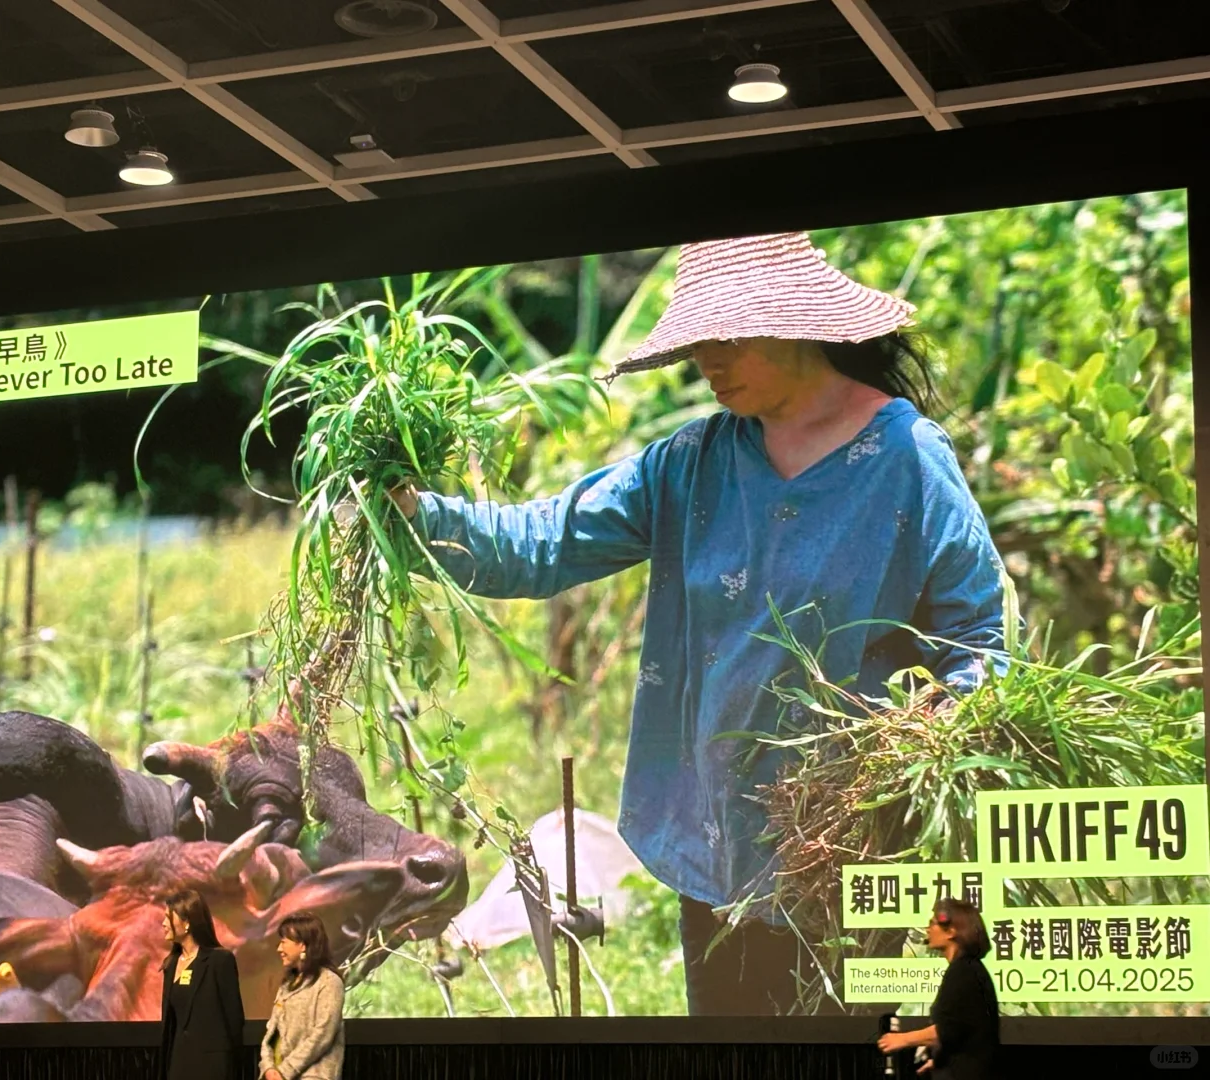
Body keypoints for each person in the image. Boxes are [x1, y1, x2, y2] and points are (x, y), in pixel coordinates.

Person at [391, 232, 1008, 1014]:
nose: (707, 363)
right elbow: (541, 546)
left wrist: (930, 738)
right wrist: (413, 516)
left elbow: (976, 636)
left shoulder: (908, 458)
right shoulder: (691, 462)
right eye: (696, 345)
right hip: (714, 841)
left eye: (727, 339)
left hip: (854, 846)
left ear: (795, 326)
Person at [878, 898, 1001, 1078]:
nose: (928, 929)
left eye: (932, 923)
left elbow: (947, 1030)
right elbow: (963, 1032)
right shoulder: (969, 969)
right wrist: (939, 1060)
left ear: (951, 932)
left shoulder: (963, 972)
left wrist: (901, 1039)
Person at [159, 889, 245, 1080]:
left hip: (212, 1067)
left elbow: (234, 1020)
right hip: (179, 1064)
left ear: (187, 922)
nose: (164, 924)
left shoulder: (220, 960)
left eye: (168, 918)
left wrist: (227, 1066)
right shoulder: (171, 965)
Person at [260, 914, 345, 1080]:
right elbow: (272, 1031)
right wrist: (268, 1067)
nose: (279, 949)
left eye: (284, 942)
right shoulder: (287, 984)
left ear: (303, 945)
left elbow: (322, 1035)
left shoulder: (329, 982)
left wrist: (285, 1071)